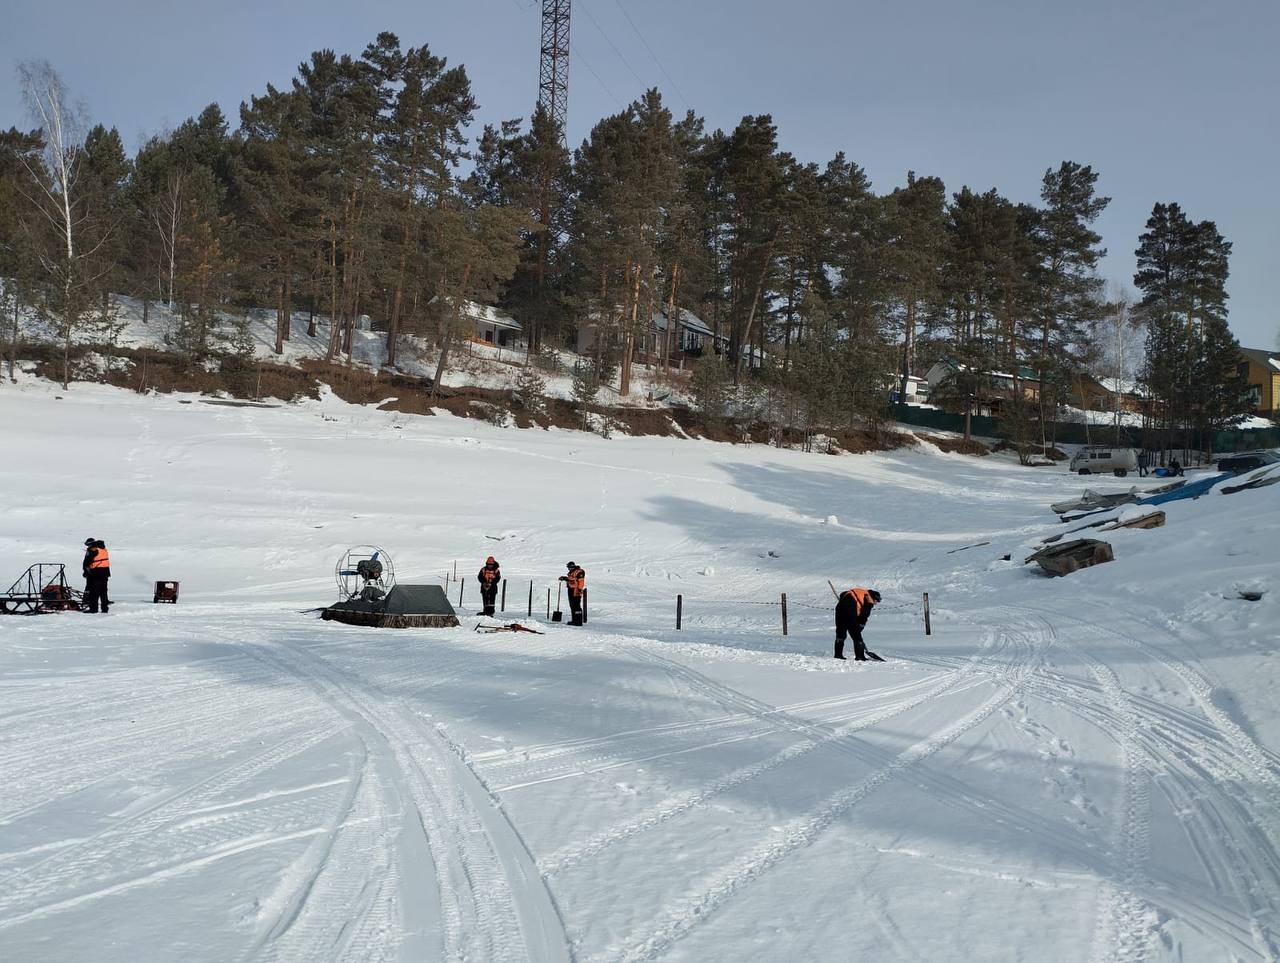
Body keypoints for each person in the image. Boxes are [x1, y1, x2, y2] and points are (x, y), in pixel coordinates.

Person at [834, 587, 881, 661]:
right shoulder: (869, 599)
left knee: (841, 632)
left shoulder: (861, 592)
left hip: (840, 608)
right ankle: (860, 657)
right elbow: (865, 613)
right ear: (874, 598)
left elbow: (842, 594)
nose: (875, 603)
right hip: (851, 611)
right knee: (856, 635)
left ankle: (838, 655)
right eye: (876, 601)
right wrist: (861, 625)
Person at [82, 537, 111, 614]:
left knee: (94, 592)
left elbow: (86, 562)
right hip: (105, 573)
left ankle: (93, 609)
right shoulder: (103, 549)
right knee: (103, 592)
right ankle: (105, 609)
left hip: (96, 573)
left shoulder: (93, 550)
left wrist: (86, 572)